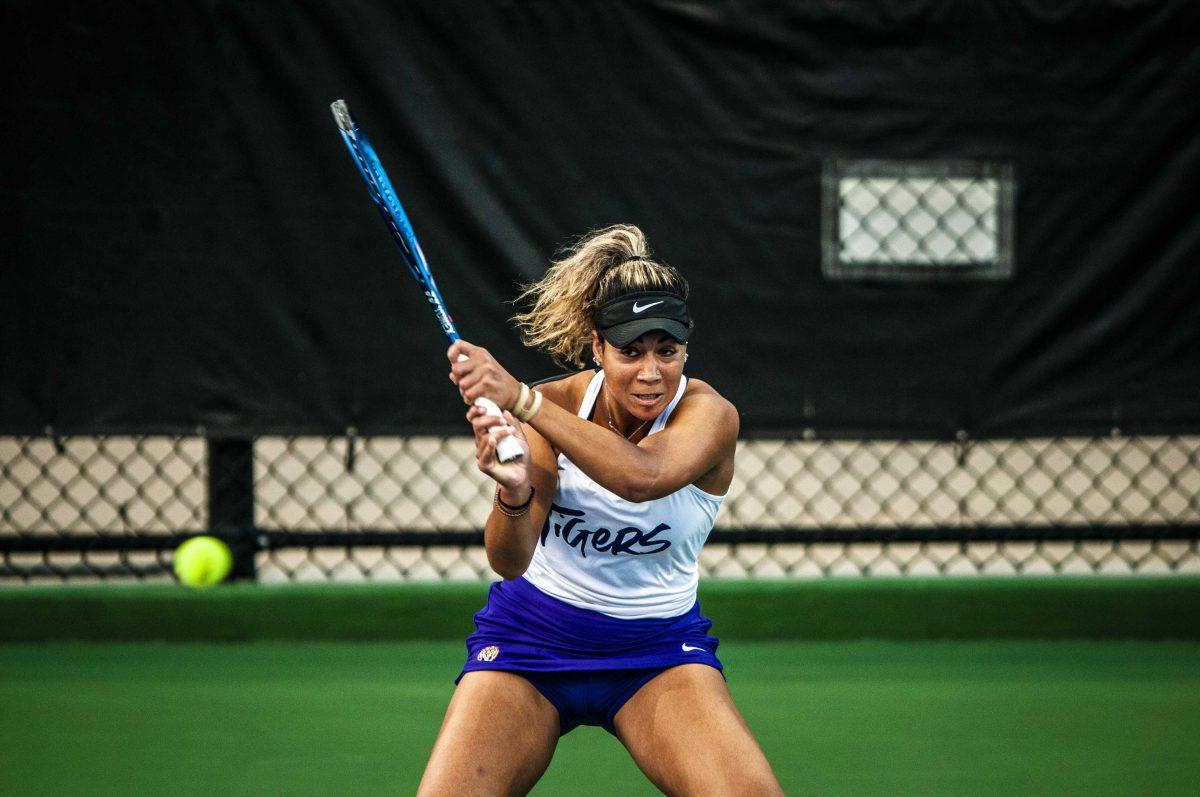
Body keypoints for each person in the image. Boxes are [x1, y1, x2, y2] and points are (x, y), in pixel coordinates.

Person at [417, 225, 783, 796]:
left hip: (655, 651)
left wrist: (520, 399)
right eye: (629, 351)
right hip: (529, 641)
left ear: (686, 347)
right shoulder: (558, 405)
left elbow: (644, 478)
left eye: (667, 350)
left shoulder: (709, 415)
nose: (650, 371)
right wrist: (513, 493)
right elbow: (508, 561)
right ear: (596, 348)